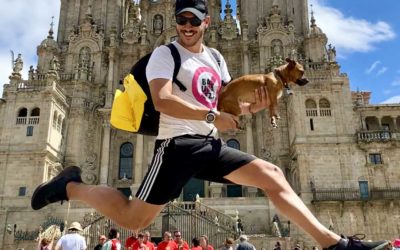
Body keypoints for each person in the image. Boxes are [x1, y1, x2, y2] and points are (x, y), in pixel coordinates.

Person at [31, 1, 390, 250]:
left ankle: (335, 244)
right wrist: (210, 117)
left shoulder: (218, 56)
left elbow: (224, 102)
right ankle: (72, 186)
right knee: (133, 220)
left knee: (273, 174)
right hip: (177, 147)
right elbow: (162, 100)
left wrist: (253, 105)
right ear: (175, 23)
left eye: (195, 20)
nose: (188, 27)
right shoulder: (164, 53)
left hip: (211, 144)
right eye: (182, 21)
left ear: (207, 21)